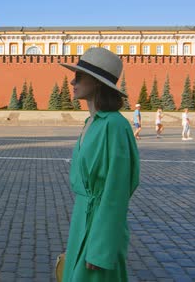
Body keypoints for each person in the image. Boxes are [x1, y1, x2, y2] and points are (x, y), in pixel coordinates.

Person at [60, 48, 140, 281]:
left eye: (80, 76)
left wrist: (101, 247)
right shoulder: (92, 123)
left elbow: (116, 191)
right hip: (81, 220)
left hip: (100, 229)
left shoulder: (115, 126)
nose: (73, 81)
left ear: (96, 83)